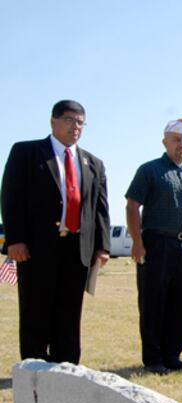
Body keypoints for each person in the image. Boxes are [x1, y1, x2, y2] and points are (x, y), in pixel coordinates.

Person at [0, 99, 110, 364]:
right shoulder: (26, 153)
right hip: (36, 249)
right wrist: (14, 239)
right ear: (53, 121)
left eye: (81, 122)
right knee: (35, 310)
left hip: (77, 251)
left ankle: (66, 367)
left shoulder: (93, 163)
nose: (76, 127)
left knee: (69, 313)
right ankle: (34, 367)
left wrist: (102, 246)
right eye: (69, 120)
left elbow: (100, 208)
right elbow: (11, 197)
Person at [125, 118, 182, 374]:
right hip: (156, 243)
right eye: (176, 140)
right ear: (165, 142)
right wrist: (137, 243)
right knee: (153, 301)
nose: (181, 145)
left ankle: (173, 355)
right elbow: (132, 206)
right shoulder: (149, 170)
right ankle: (154, 358)